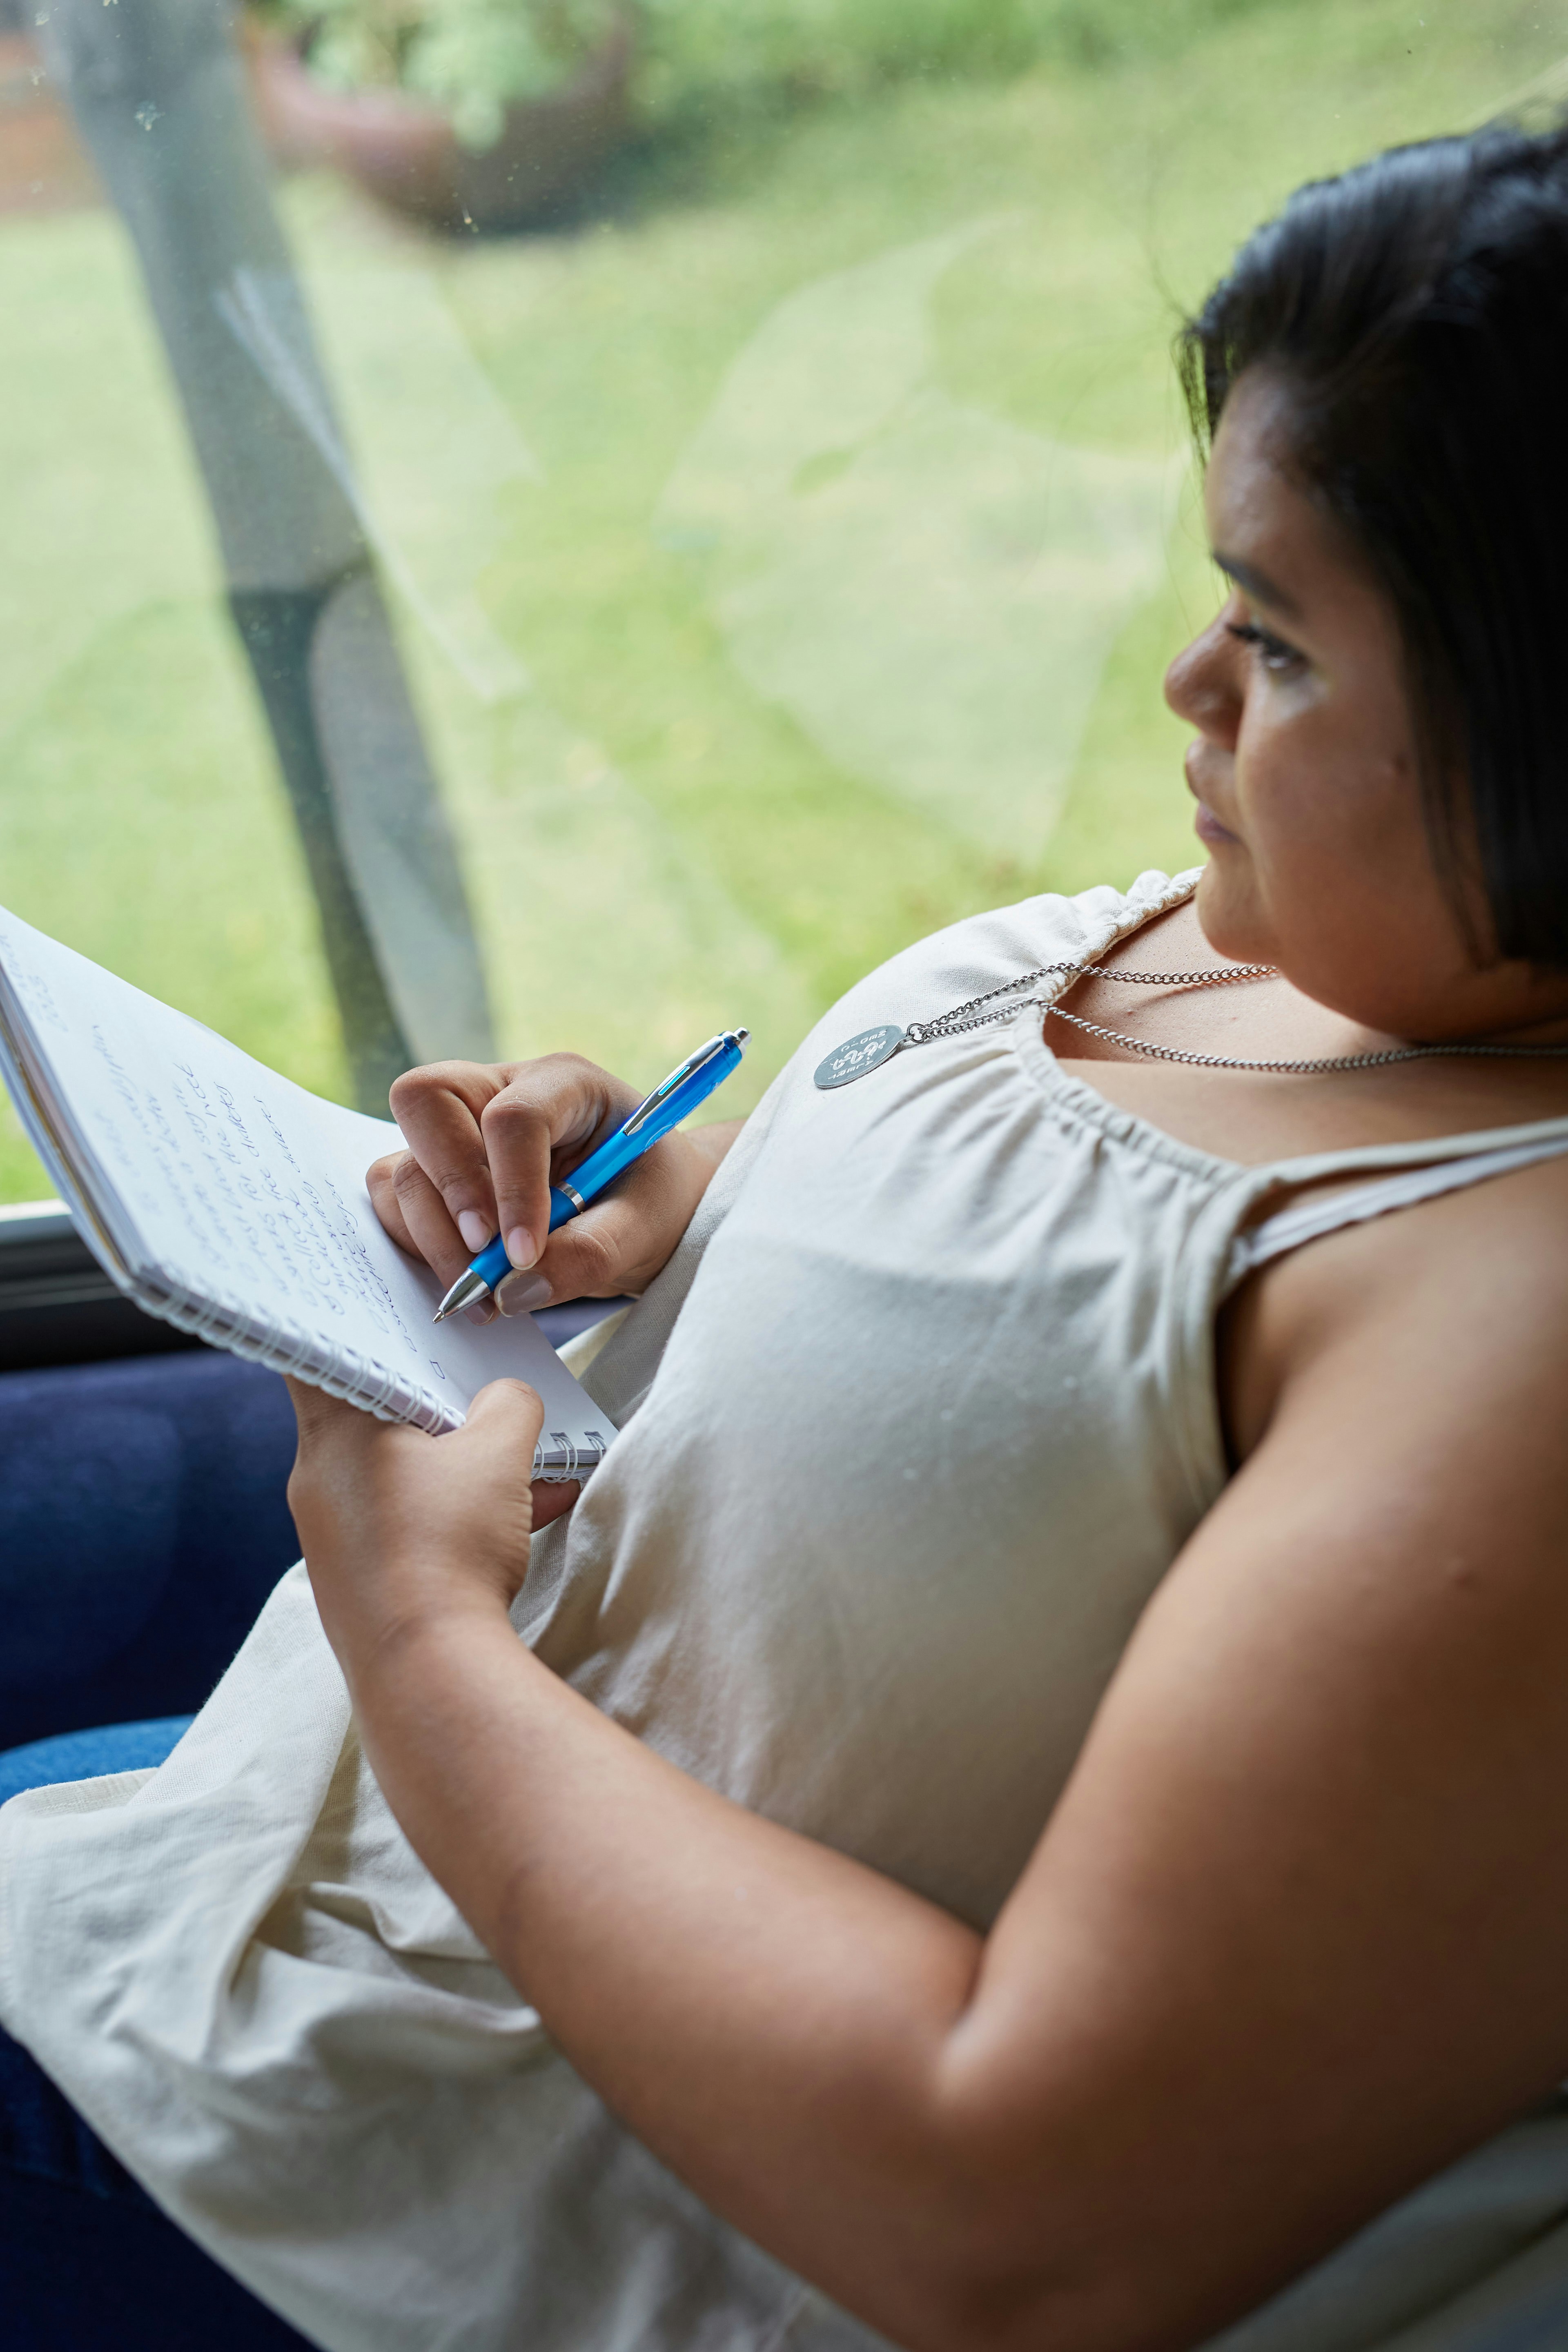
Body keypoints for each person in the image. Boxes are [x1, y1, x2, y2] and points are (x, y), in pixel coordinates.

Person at [11, 115, 1568, 2352]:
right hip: (244, 1904)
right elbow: (1057, 1290)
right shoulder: (1332, 935)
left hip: (404, 2203)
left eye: (1282, 642)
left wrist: (419, 1633)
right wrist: (668, 1196)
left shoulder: (1514, 1348)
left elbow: (1019, 2215)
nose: (1188, 684)